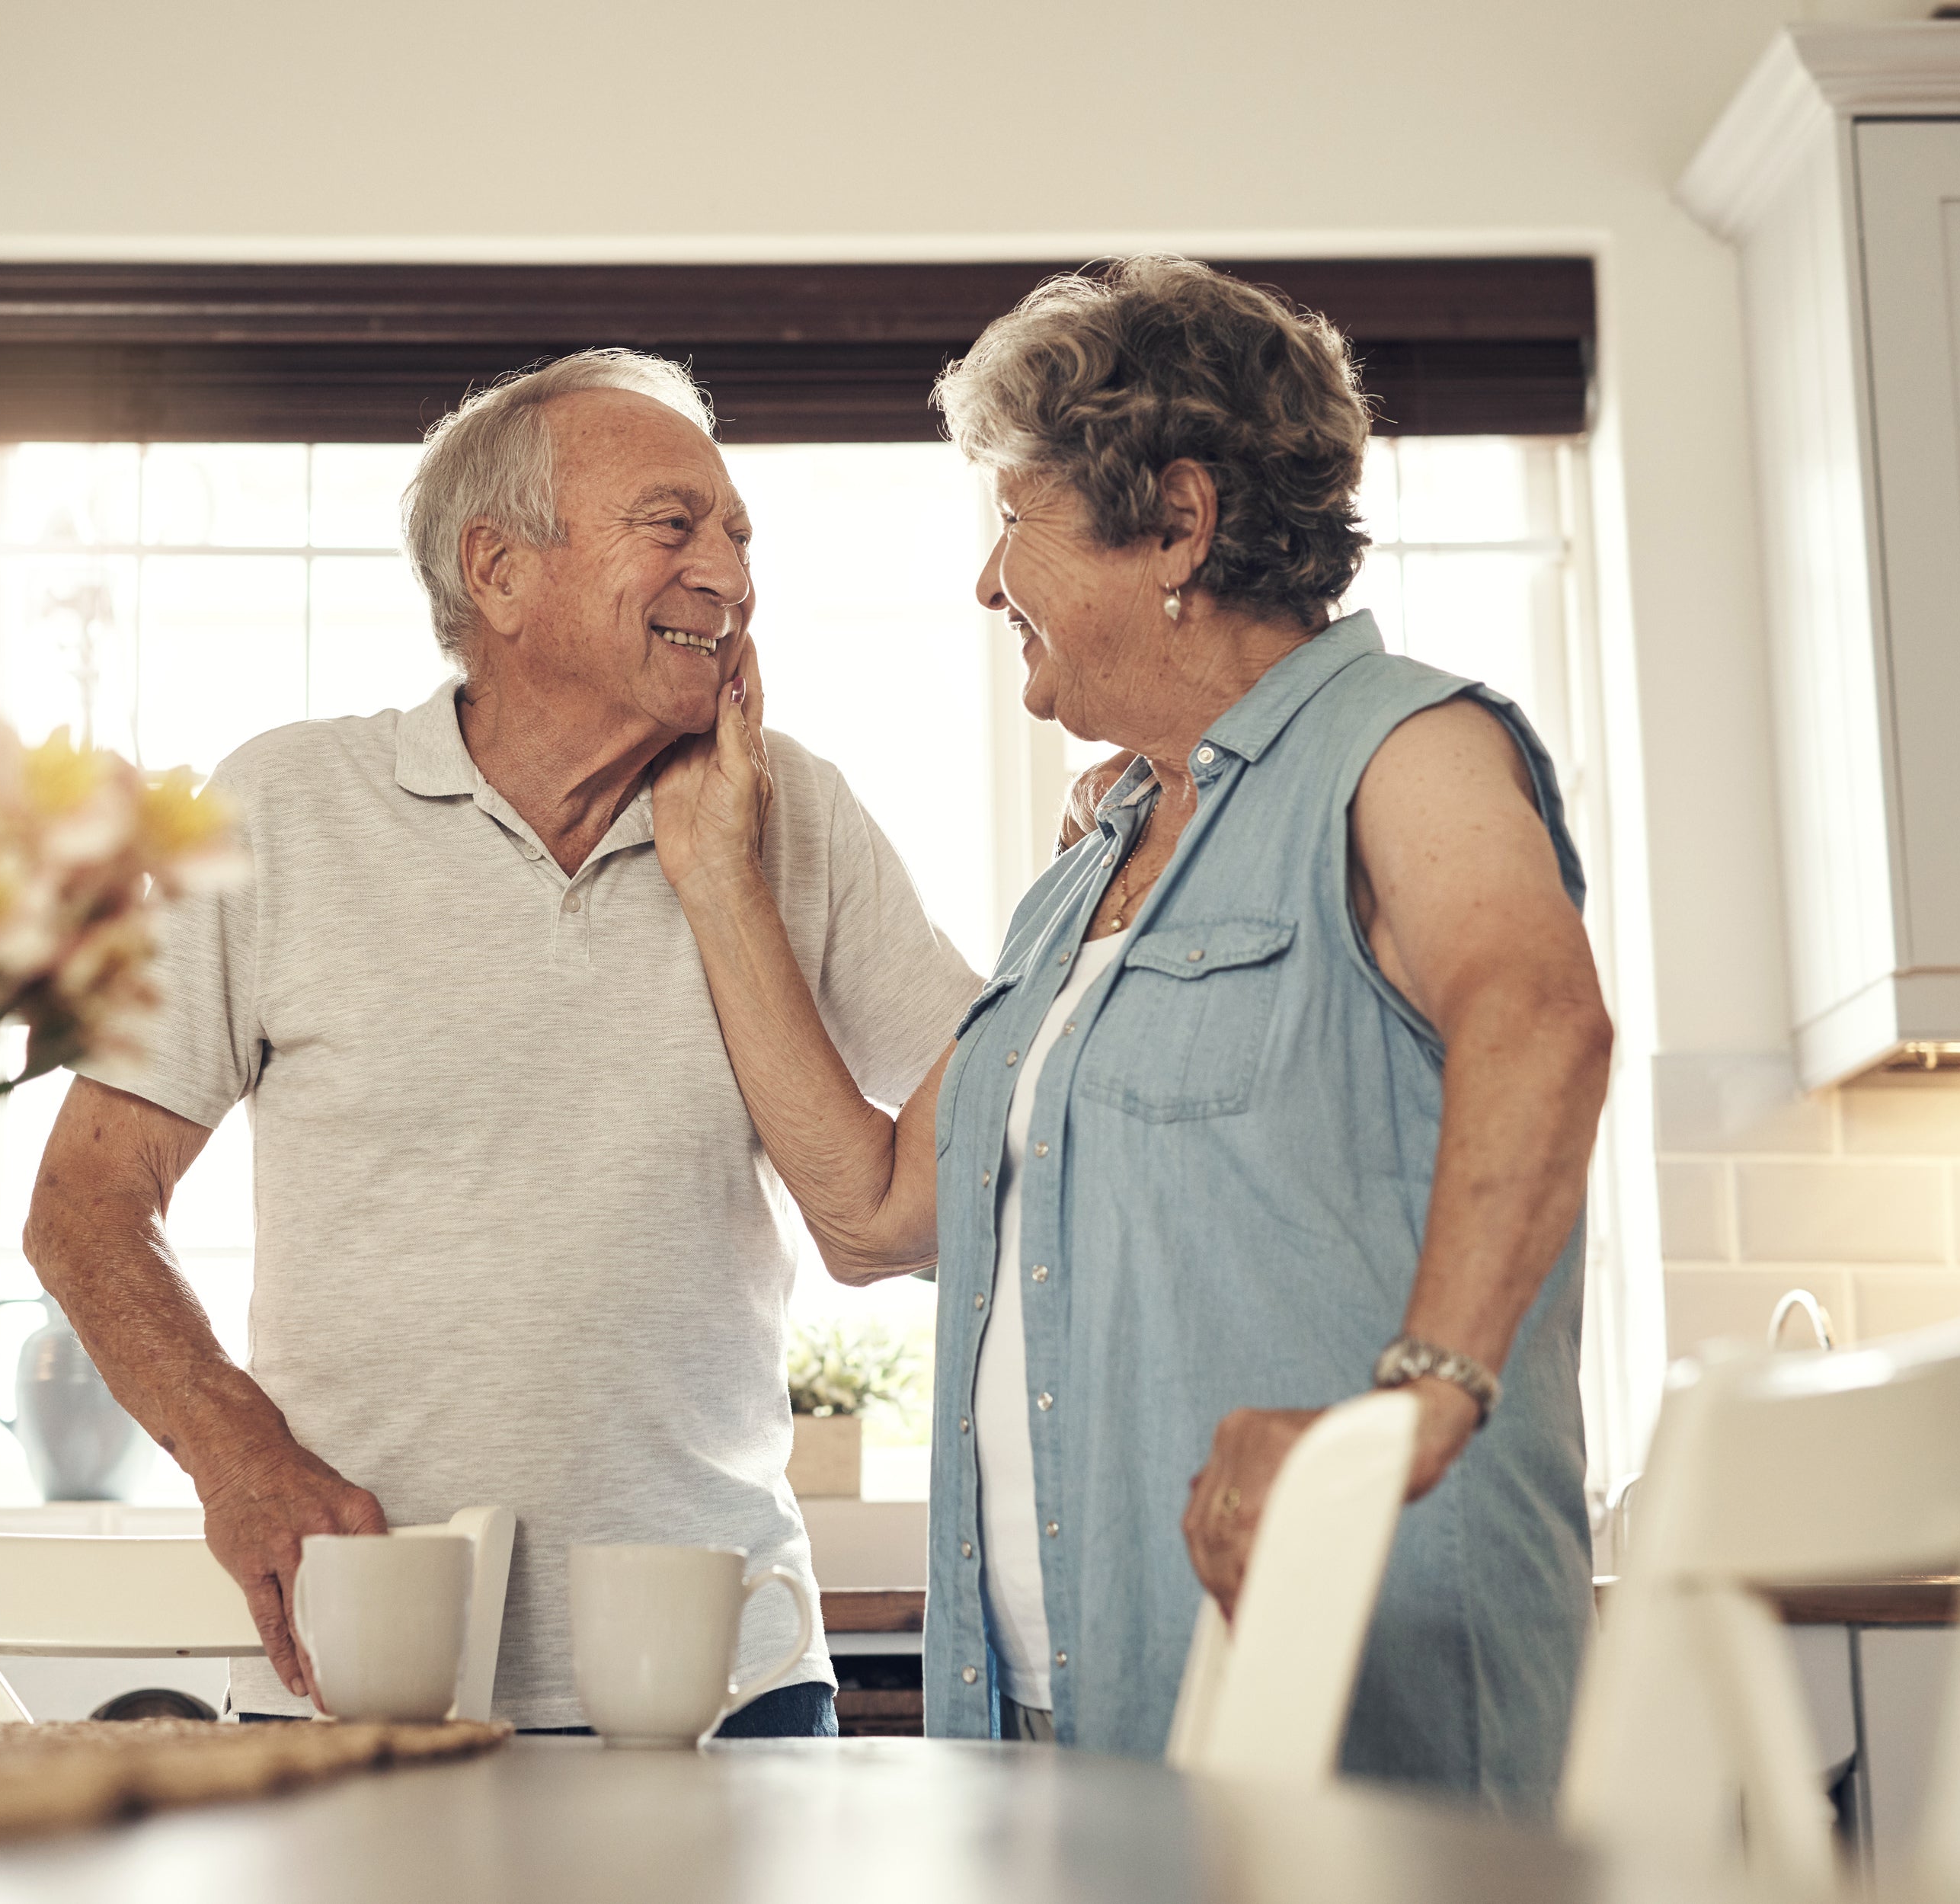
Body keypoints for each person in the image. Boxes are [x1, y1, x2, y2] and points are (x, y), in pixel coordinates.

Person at [649, 259, 1611, 1811]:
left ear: (1176, 521)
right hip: (1062, 1720)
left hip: (1351, 1715)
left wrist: (1419, 1394)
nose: (984, 583)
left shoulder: (1404, 748)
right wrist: (717, 877)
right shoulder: (1083, 881)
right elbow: (876, 1213)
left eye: (1013, 523)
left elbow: (1540, 1015)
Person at [22, 349, 980, 1732]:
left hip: (723, 1670)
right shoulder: (286, 807)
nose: (730, 572)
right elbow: (84, 1205)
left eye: (739, 536)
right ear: (500, 570)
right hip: (372, 1671)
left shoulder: (796, 811)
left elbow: (974, 1135)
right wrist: (240, 1457)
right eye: (674, 525)